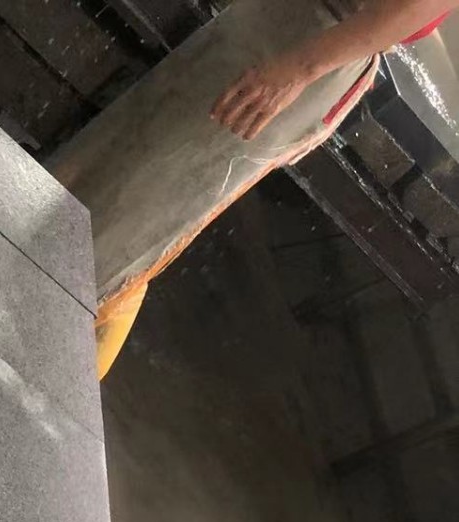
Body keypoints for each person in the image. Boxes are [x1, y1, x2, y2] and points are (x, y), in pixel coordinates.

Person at [48, 0, 454, 377]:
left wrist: (299, 69)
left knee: (135, 210)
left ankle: (51, 352)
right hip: (279, 29)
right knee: (113, 165)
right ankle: (41, 306)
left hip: (304, 47)